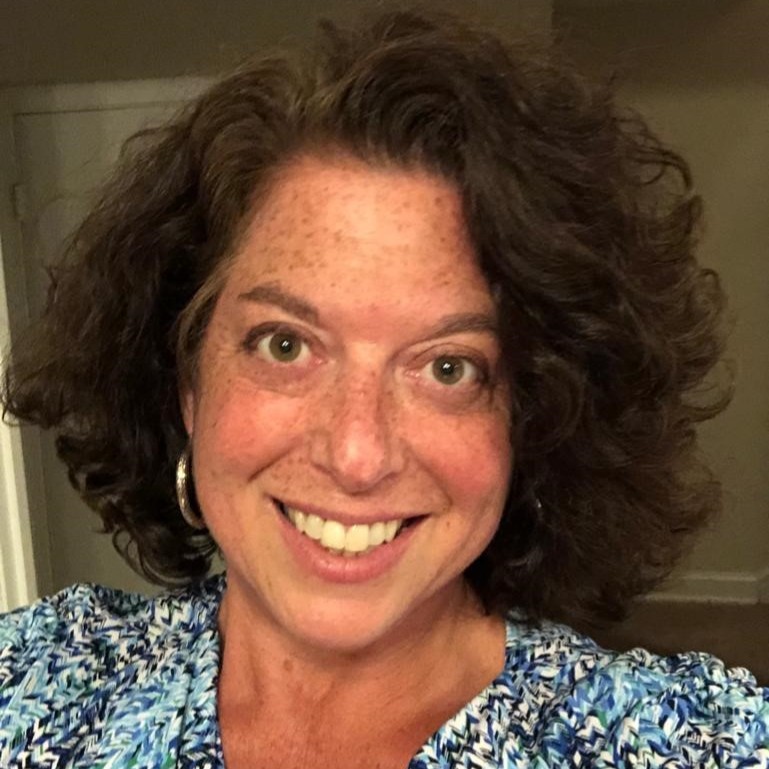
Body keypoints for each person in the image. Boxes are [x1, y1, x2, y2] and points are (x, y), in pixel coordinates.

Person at [1, 7, 767, 768]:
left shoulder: (695, 743)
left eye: (447, 367)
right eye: (285, 344)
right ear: (186, 382)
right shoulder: (34, 681)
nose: (356, 453)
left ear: (536, 412)